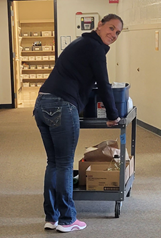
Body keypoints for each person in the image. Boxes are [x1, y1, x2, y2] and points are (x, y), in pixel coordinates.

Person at [33, 14, 123, 233]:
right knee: (63, 163)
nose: (113, 34)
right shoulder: (95, 49)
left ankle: (51, 217)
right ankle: (67, 220)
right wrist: (113, 115)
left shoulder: (80, 43)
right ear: (99, 25)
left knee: (53, 162)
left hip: (42, 102)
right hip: (63, 105)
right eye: (110, 28)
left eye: (118, 32)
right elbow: (103, 84)